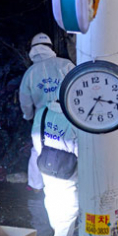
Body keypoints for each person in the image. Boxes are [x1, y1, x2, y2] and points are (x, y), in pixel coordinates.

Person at [20, 33, 75, 192]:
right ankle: (70, 180)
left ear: (32, 50)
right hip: (67, 114)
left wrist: (28, 116)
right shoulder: (66, 65)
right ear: (51, 48)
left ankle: (36, 186)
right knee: (71, 147)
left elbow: (25, 101)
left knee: (38, 150)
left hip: (42, 118)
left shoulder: (30, 73)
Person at [31, 101, 78, 236]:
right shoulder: (77, 116)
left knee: (52, 198)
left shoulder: (43, 111)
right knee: (70, 207)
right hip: (69, 167)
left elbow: (36, 136)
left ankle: (57, 232)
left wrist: (44, 157)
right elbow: (80, 146)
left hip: (47, 161)